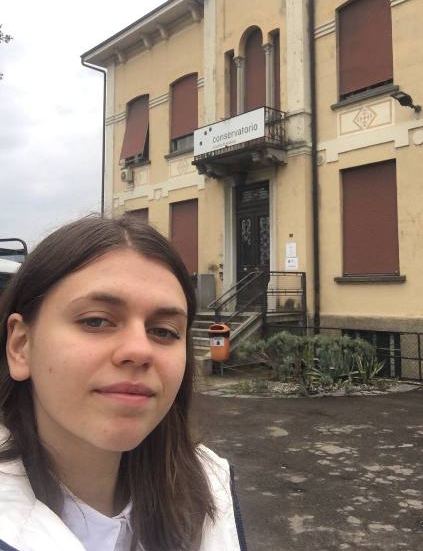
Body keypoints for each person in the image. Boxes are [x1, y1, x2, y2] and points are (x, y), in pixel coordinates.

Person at [0, 215, 247, 551]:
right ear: (21, 346)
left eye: (163, 331)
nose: (139, 350)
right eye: (96, 321)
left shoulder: (211, 489)